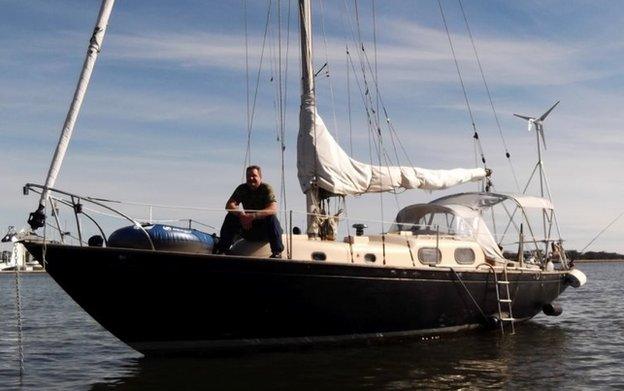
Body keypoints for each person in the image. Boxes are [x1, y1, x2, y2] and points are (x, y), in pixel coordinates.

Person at [214, 165, 284, 257]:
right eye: (248, 176)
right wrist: (241, 215)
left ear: (260, 177)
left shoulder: (266, 189)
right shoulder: (242, 188)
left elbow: (273, 209)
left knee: (271, 217)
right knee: (231, 216)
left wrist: (252, 216)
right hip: (248, 229)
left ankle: (277, 252)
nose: (251, 178)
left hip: (264, 231)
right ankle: (222, 249)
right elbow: (229, 205)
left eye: (254, 176)